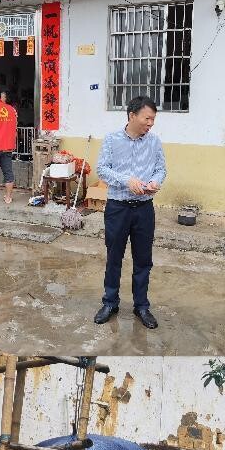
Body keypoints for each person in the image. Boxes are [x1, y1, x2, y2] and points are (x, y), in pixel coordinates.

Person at [94, 95, 167, 330]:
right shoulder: (112, 140)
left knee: (143, 260)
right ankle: (110, 302)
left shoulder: (154, 142)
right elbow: (102, 169)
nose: (150, 123)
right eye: (147, 118)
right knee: (114, 256)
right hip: (118, 208)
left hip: (144, 208)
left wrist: (155, 181)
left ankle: (141, 306)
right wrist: (127, 181)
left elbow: (161, 168)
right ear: (132, 115)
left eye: (153, 119)